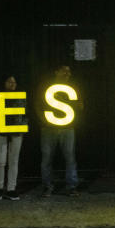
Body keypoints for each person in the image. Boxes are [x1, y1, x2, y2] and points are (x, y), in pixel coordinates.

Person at [40, 64, 82, 197]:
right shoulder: (46, 87)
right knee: (47, 158)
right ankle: (48, 186)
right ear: (56, 72)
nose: (67, 74)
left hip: (67, 127)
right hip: (49, 127)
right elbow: (38, 106)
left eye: (69, 72)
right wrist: (44, 121)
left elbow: (80, 105)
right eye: (64, 71)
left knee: (70, 158)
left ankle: (71, 186)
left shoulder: (73, 88)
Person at [0, 74, 26, 201]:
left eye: (14, 82)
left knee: (14, 161)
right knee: (0, 161)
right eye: (9, 82)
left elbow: (26, 113)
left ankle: (11, 189)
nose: (12, 84)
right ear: (4, 83)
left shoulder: (20, 97)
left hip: (16, 132)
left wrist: (23, 126)